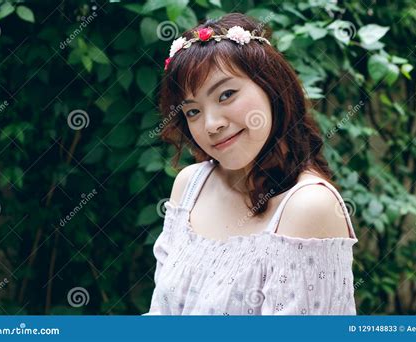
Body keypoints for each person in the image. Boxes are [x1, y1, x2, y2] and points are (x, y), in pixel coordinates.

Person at [144, 12, 358, 315]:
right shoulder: (189, 186)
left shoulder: (308, 207)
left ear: (272, 87)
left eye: (226, 94)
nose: (211, 124)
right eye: (192, 112)